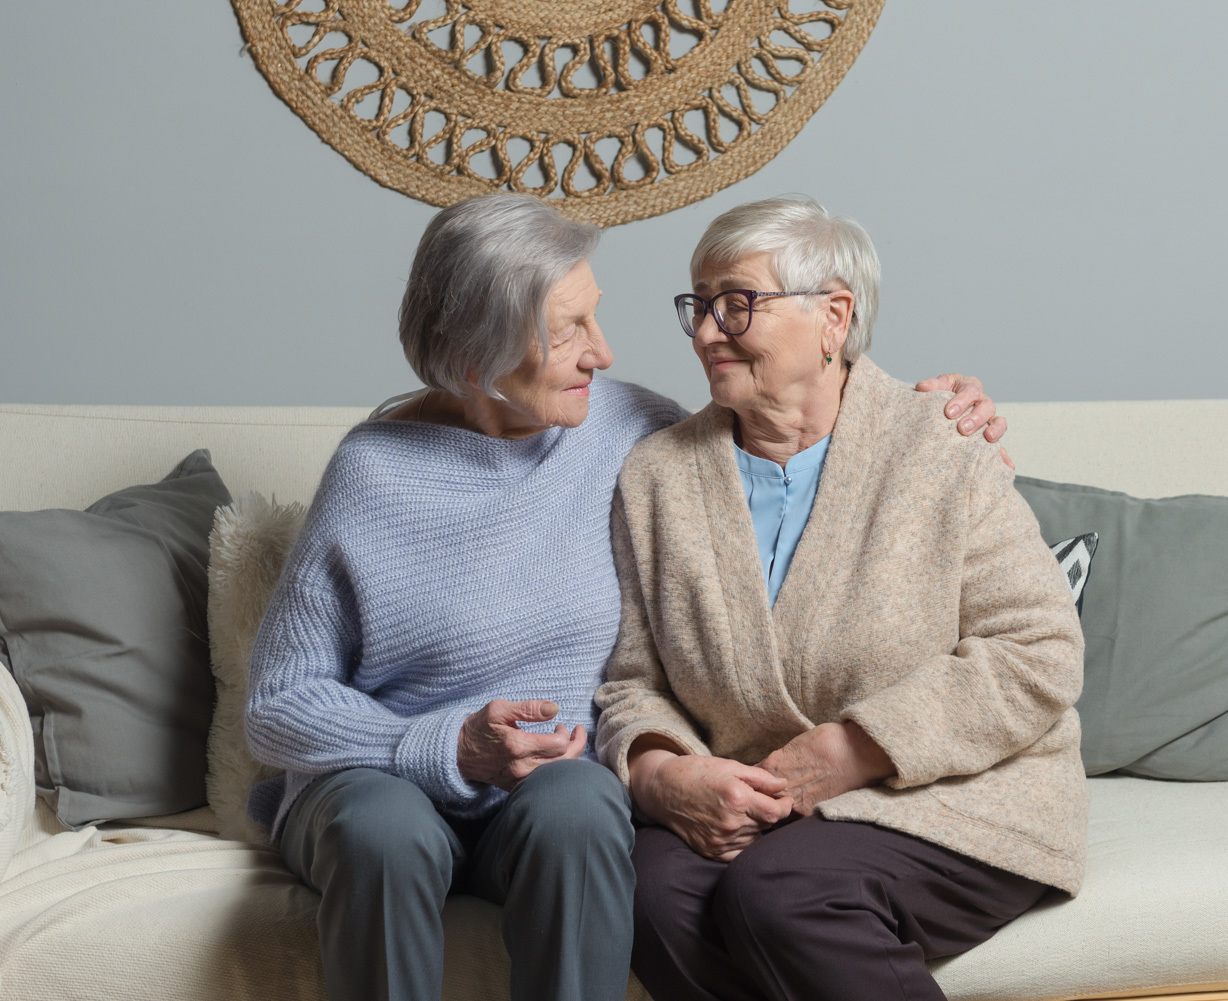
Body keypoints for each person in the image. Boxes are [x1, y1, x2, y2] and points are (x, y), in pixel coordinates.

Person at [242, 190, 1010, 1001]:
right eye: (567, 329)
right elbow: (279, 701)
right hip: (376, 780)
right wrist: (443, 747)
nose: (602, 353)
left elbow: (795, 431)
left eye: (594, 316)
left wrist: (946, 414)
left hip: (545, 788)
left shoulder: (635, 433)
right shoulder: (373, 472)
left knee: (580, 806)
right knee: (385, 832)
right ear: (478, 354)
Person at [597, 194, 1089, 1001]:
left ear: (833, 316)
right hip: (757, 803)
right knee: (642, 888)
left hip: (948, 794)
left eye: (737, 303)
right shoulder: (656, 475)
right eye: (699, 305)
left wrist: (860, 748)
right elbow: (631, 678)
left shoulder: (941, 444)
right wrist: (660, 773)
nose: (705, 331)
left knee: (782, 892)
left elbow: (1038, 651)